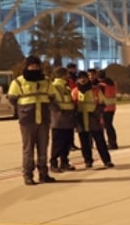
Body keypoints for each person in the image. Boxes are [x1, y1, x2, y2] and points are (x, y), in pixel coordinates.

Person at [7, 56, 56, 186]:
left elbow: (52, 96)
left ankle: (43, 174)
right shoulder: (18, 82)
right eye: (31, 65)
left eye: (36, 65)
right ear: (26, 66)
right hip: (28, 119)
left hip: (43, 118)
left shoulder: (46, 81)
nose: (34, 67)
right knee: (28, 149)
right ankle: (28, 175)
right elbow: (12, 99)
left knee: (43, 148)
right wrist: (24, 110)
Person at [73, 72, 113, 169]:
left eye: (84, 78)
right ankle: (88, 161)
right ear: (77, 80)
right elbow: (73, 105)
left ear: (88, 79)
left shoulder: (95, 90)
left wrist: (96, 113)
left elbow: (103, 103)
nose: (83, 80)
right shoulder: (75, 91)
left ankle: (107, 161)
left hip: (94, 119)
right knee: (84, 143)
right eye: (80, 78)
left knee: (100, 142)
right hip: (81, 120)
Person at [48, 67, 77, 172]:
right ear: (63, 75)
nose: (68, 76)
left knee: (67, 142)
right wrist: (58, 110)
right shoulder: (54, 86)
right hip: (59, 119)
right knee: (58, 143)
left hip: (68, 118)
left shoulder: (66, 87)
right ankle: (54, 163)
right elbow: (50, 101)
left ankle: (64, 162)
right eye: (66, 75)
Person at [99, 74, 119, 149]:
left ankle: (110, 143)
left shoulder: (102, 85)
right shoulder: (112, 84)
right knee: (109, 126)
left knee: (106, 127)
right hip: (112, 108)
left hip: (105, 109)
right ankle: (113, 142)